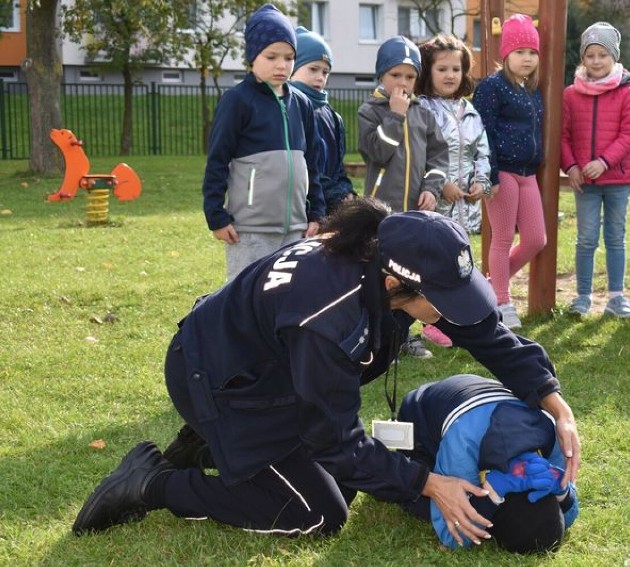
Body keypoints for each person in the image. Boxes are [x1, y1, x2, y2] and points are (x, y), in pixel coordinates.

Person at [71, 199, 581, 548]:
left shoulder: (393, 253)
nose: (449, 311)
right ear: (391, 284)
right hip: (216, 380)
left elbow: (486, 332)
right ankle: (153, 483)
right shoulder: (328, 317)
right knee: (317, 513)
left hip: (261, 369)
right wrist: (429, 483)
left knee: (350, 481)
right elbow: (335, 440)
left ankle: (211, 444)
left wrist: (551, 399)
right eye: (439, 302)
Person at [201, 4, 325, 282]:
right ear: (253, 56)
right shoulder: (238, 101)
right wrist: (216, 215)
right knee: (246, 295)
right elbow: (218, 159)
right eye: (271, 56)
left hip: (296, 228)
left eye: (289, 57)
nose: (282, 65)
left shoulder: (302, 104)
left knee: (287, 295)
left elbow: (313, 163)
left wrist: (316, 212)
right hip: (250, 229)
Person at [398, 374, 579, 554]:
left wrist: (562, 491)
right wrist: (493, 494)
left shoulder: (550, 432)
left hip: (473, 396)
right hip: (418, 412)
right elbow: (451, 533)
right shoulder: (465, 444)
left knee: (457, 495)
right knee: (417, 496)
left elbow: (567, 517)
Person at [357, 35, 450, 358]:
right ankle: (376, 335)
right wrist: (395, 116)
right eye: (395, 75)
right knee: (382, 275)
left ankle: (405, 336)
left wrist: (431, 188)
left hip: (415, 213)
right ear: (381, 75)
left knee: (412, 274)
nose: (403, 83)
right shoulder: (370, 111)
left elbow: (439, 157)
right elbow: (377, 153)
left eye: (410, 77)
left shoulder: (423, 113)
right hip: (381, 214)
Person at [416, 34, 491, 348]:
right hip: (434, 203)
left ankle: (458, 318)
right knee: (431, 262)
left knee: (460, 261)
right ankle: (428, 320)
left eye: (456, 69)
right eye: (442, 69)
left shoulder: (470, 112)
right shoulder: (421, 109)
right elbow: (419, 153)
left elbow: (482, 152)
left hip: (465, 205)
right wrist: (438, 184)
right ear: (428, 72)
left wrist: (481, 182)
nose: (450, 75)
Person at [560, 22, 630, 319]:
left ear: (613, 58)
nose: (596, 61)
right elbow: (563, 135)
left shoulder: (626, 91)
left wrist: (604, 161)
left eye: (602, 55)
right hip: (586, 183)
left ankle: (617, 297)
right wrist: (571, 167)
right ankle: (582, 297)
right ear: (583, 58)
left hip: (616, 178)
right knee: (586, 238)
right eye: (590, 55)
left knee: (615, 237)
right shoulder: (571, 94)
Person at [472, 14, 547, 329]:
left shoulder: (531, 90)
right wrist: (489, 177)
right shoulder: (492, 86)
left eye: (532, 52)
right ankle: (501, 301)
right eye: (520, 52)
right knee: (502, 238)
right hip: (499, 173)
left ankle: (487, 288)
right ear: (506, 54)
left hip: (527, 172)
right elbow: (483, 130)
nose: (527, 58)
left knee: (535, 239)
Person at [288, 26, 356, 214]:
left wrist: (348, 192)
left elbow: (338, 168)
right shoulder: (290, 108)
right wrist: (338, 196)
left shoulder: (332, 116)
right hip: (304, 208)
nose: (320, 77)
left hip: (332, 206)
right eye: (313, 69)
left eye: (325, 72)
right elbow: (304, 167)